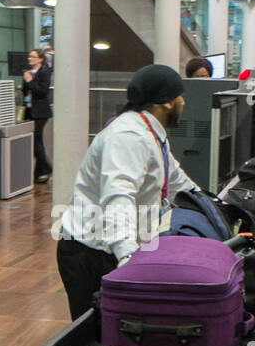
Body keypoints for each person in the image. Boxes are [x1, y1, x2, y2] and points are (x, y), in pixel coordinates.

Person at [55, 64, 198, 320]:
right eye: (180, 96)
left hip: (113, 246)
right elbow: (118, 197)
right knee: (98, 336)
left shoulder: (150, 132)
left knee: (119, 331)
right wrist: (128, 258)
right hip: (91, 250)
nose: (183, 102)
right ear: (166, 102)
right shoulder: (128, 137)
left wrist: (214, 207)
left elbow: (176, 180)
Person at [22, 48, 53, 183]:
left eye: (33, 57)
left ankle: (47, 168)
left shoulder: (44, 72)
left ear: (40, 59)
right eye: (29, 56)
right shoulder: (28, 72)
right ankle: (39, 174)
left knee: (36, 142)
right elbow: (25, 91)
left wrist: (29, 81)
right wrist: (26, 81)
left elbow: (42, 91)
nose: (30, 59)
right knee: (36, 142)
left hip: (41, 111)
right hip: (30, 110)